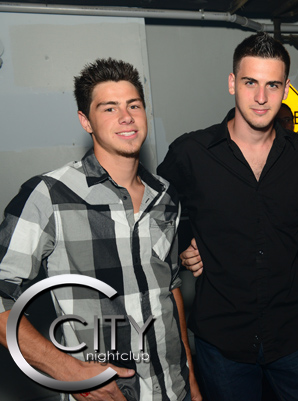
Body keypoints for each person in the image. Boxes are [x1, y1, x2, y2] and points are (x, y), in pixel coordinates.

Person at [0, 58, 199, 401]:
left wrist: (190, 377)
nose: (126, 116)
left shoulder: (165, 195)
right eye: (109, 108)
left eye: (133, 105)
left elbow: (170, 288)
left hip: (172, 388)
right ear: (85, 121)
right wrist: (70, 373)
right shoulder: (50, 195)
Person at [157, 33, 298, 401]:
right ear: (232, 83)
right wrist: (183, 245)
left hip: (292, 332)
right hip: (223, 338)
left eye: (272, 85)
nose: (261, 97)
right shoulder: (192, 152)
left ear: (286, 90)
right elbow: (155, 215)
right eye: (250, 82)